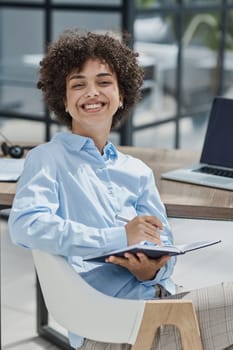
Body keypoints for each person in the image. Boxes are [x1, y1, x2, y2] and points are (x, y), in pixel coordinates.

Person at [8, 29, 233, 350]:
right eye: (78, 84)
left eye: (103, 82)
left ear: (122, 94)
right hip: (110, 325)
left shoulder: (137, 171)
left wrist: (151, 270)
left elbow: (163, 242)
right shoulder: (48, 159)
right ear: (63, 99)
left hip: (162, 304)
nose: (92, 92)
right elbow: (26, 226)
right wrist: (119, 238)